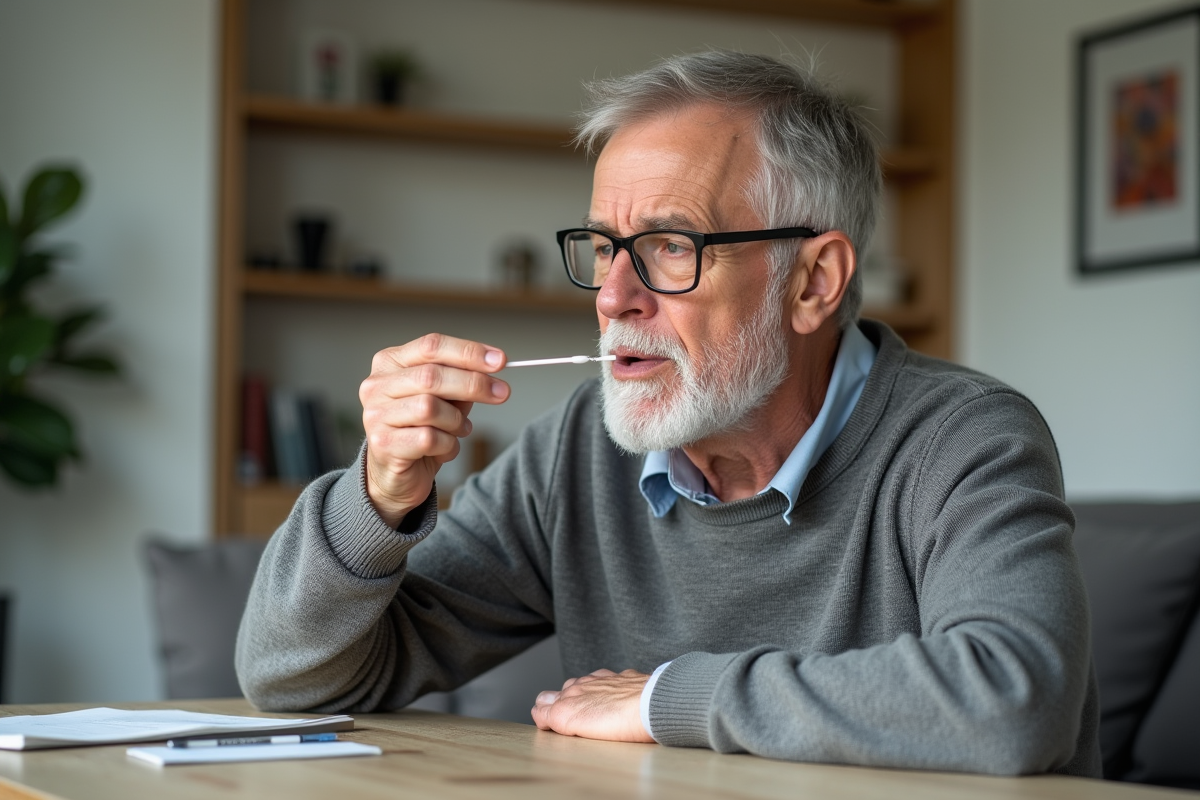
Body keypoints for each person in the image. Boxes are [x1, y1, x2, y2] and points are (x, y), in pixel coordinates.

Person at [236, 51, 1100, 776]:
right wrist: (377, 497)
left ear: (813, 283)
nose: (614, 296)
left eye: (668, 246)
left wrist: (666, 698)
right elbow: (296, 681)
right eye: (604, 248)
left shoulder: (964, 436)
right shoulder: (581, 449)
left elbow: (1015, 703)